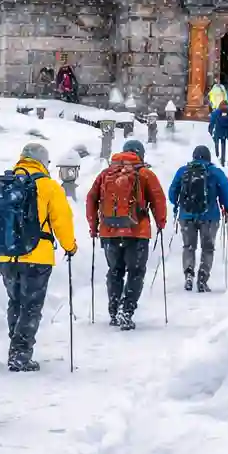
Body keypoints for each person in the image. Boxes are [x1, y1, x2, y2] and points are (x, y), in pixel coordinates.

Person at [0, 142, 77, 371]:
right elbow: (62, 221)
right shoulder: (48, 186)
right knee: (31, 306)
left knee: (16, 302)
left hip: (5, 256)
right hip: (36, 256)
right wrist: (70, 247)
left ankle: (16, 346)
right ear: (43, 161)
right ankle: (20, 353)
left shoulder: (1, 184)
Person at [85, 139, 167, 329]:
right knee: (135, 272)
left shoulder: (106, 173)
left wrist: (94, 226)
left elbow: (91, 199)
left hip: (109, 231)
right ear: (140, 154)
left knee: (115, 271)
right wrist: (160, 222)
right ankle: (126, 310)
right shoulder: (145, 173)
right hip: (137, 232)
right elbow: (158, 199)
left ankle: (114, 309)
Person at [168, 146, 228, 293]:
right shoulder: (215, 172)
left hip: (186, 216)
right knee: (207, 248)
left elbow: (172, 192)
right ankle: (203, 278)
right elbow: (227, 194)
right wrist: (226, 207)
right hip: (210, 217)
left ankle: (188, 274)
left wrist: (179, 204)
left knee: (189, 247)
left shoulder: (183, 171)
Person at [208, 100, 228, 166]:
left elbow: (212, 122)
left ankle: (222, 161)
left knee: (222, 144)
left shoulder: (216, 112)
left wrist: (210, 131)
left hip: (220, 131)